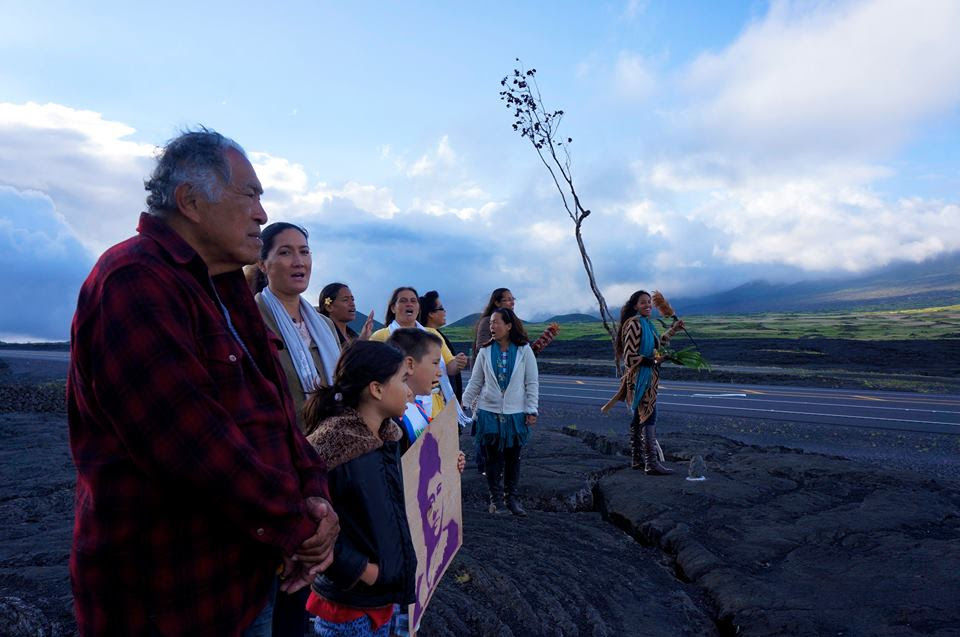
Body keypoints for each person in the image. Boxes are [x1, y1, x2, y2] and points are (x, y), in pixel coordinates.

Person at [66, 128, 339, 636]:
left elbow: (277, 415)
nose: (261, 213)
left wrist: (317, 495)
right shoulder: (132, 280)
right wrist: (301, 528)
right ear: (190, 201)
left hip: (243, 579)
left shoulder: (225, 287)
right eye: (250, 195)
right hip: (167, 600)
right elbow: (191, 444)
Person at [302, 340, 418, 636]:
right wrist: (363, 571)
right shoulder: (330, 447)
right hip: (348, 610)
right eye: (403, 380)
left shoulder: (388, 436)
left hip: (381, 599)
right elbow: (310, 525)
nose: (410, 391)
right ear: (376, 389)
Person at [254, 222, 342, 435]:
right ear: (262, 263)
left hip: (335, 443)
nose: (298, 262)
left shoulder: (325, 325)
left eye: (304, 252)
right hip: (284, 447)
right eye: (285, 252)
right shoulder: (252, 320)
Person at [462, 308, 539, 516]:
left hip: (516, 414)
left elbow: (531, 383)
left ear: (509, 326)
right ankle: (495, 500)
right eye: (490, 323)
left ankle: (511, 498)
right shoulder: (485, 352)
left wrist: (532, 409)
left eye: (496, 323)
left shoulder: (524, 351)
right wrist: (463, 405)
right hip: (489, 412)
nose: (492, 327)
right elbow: (476, 382)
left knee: (514, 458)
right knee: (492, 459)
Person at [603, 290, 684, 475]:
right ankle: (651, 463)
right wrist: (655, 361)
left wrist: (674, 330)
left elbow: (658, 343)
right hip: (640, 378)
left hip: (648, 376)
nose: (648, 305)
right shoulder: (634, 324)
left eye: (649, 302)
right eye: (643, 302)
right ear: (635, 306)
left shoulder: (647, 324)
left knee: (639, 417)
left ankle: (637, 459)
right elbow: (630, 357)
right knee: (649, 414)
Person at [371, 287, 468, 425]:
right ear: (393, 308)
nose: (409, 304)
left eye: (413, 301)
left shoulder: (432, 333)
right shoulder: (380, 336)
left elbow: (449, 367)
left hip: (435, 406)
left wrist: (458, 363)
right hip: (398, 407)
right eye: (403, 301)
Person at [410, 432, 460, 631]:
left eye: (439, 490)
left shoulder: (448, 533)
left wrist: (452, 461)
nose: (436, 506)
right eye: (430, 497)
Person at [419, 290, 467, 401]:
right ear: (430, 313)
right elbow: (451, 367)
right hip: (437, 398)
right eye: (441, 308)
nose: (444, 312)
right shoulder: (433, 334)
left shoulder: (413, 333)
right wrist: (459, 361)